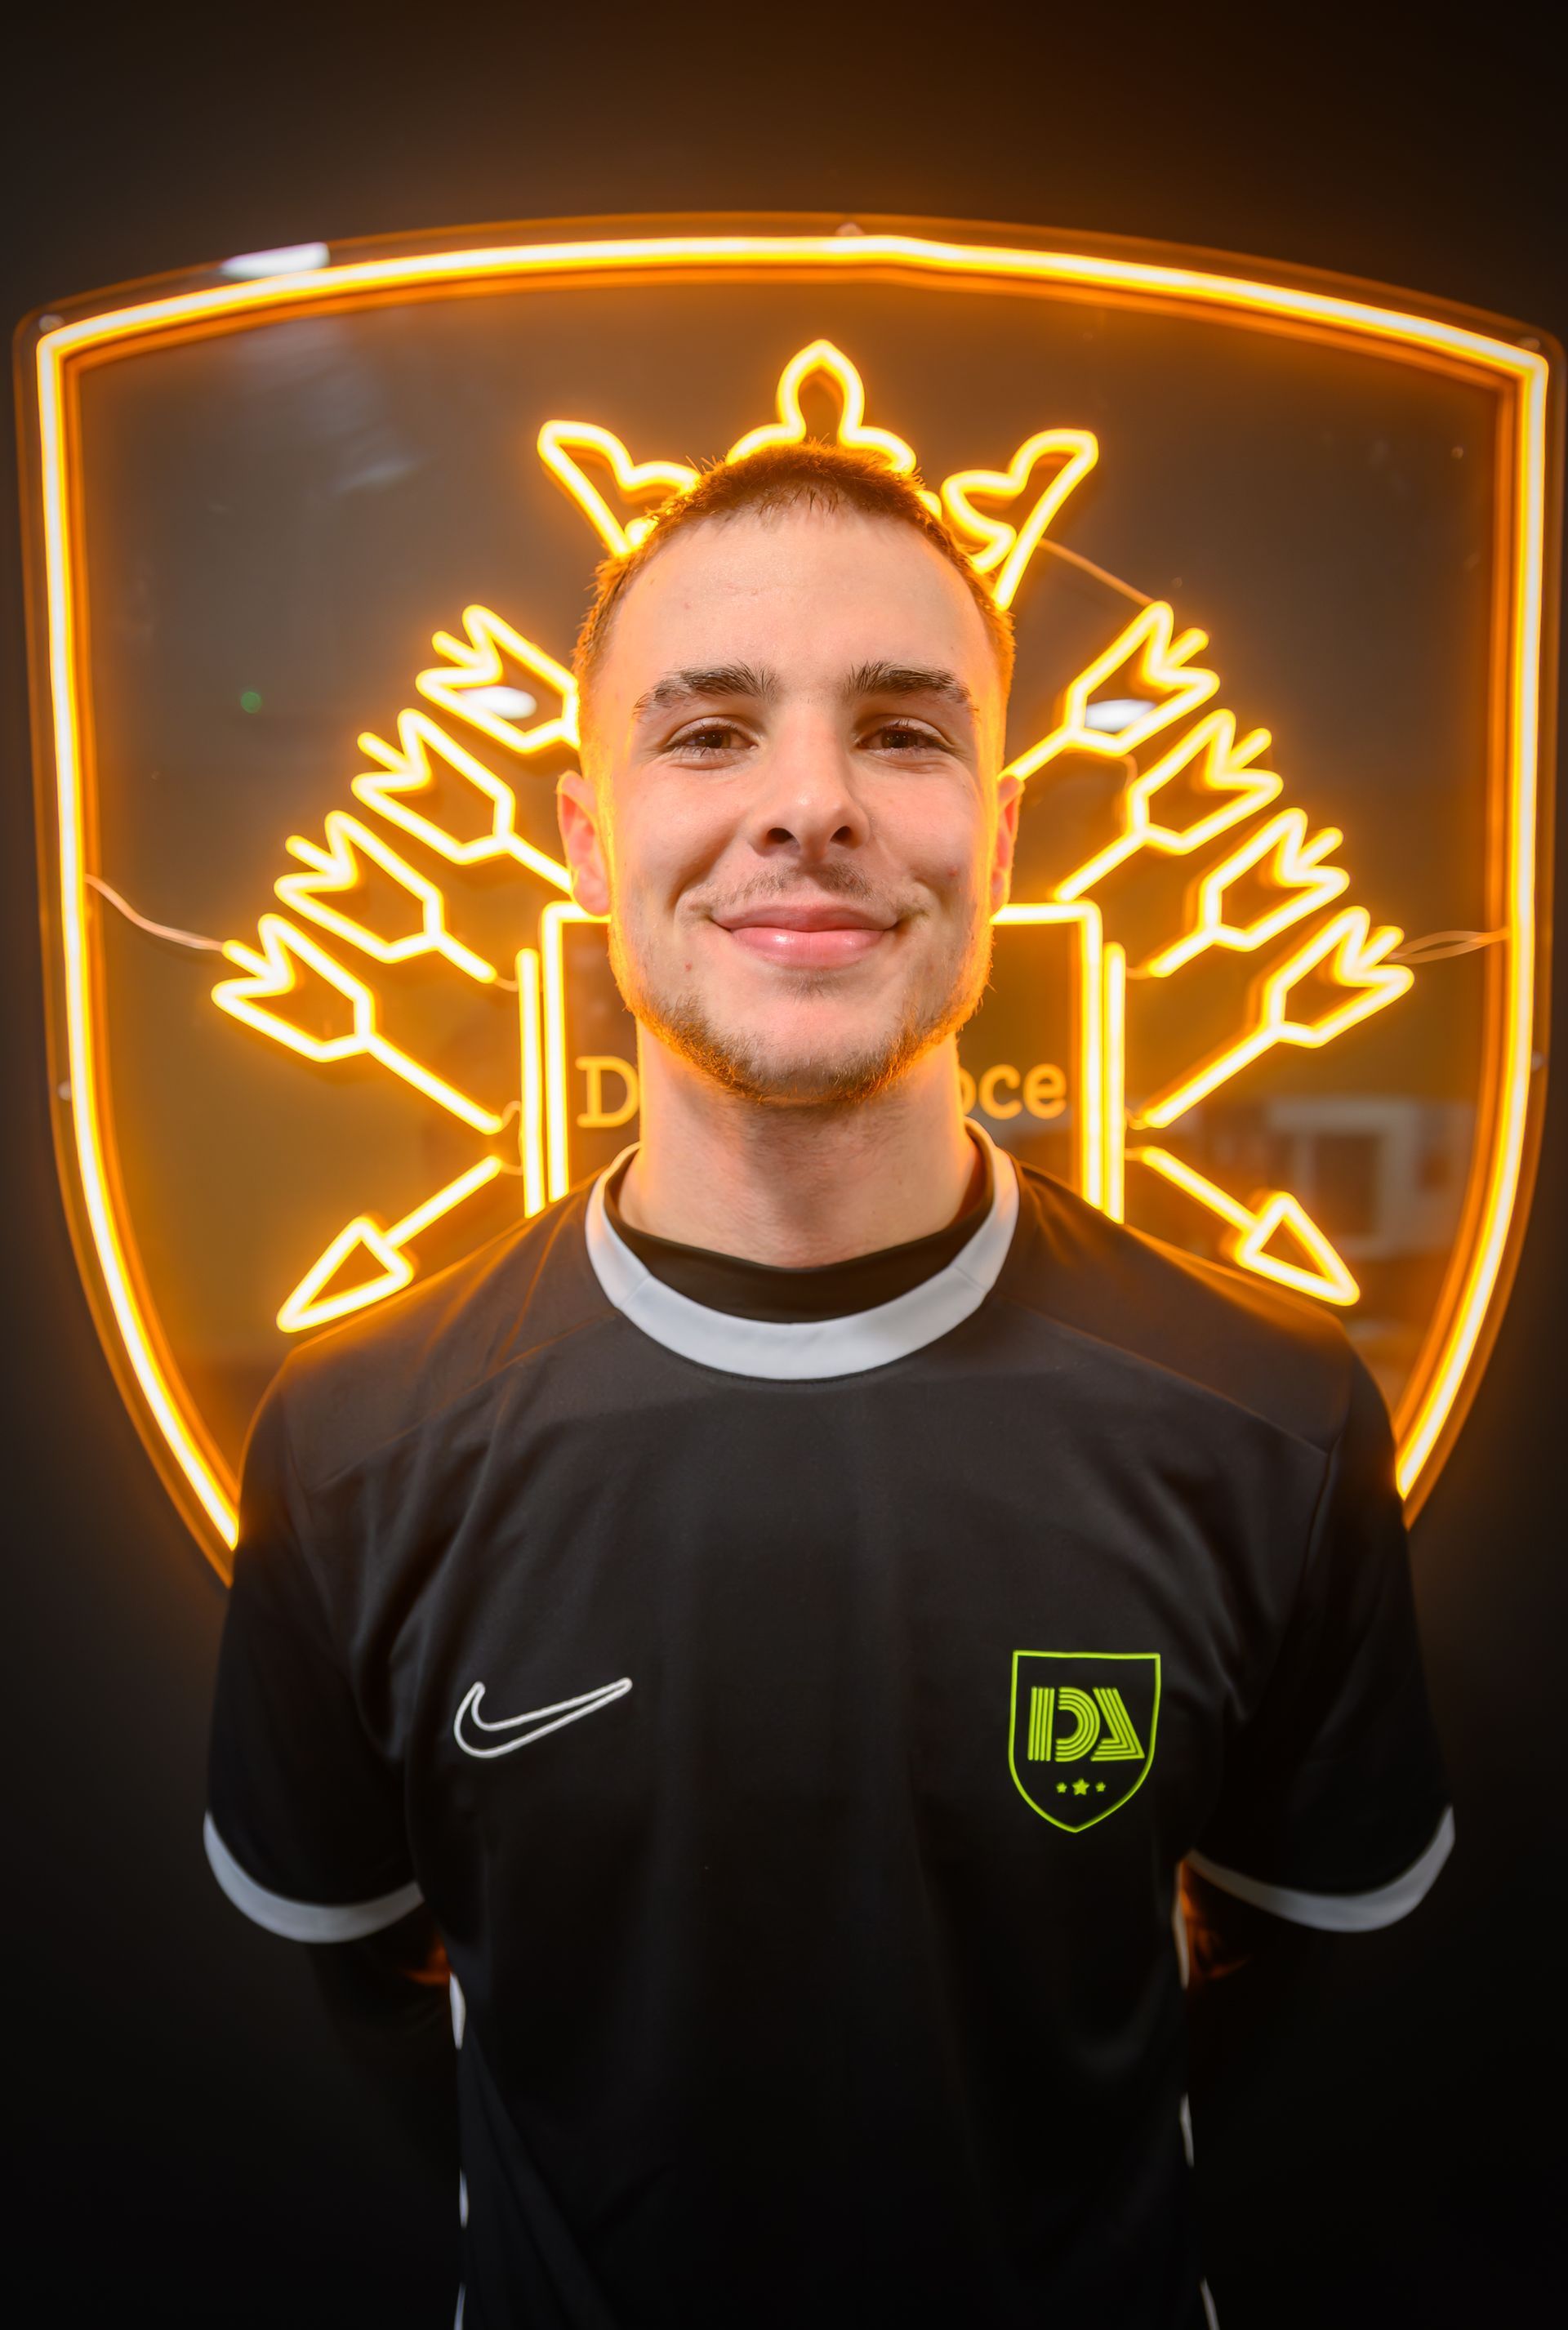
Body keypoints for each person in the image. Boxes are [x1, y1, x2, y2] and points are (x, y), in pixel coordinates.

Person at [204, 441, 1453, 2328]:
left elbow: (1299, 1963)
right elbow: (364, 1974)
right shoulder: (357, 1441)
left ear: (1005, 837)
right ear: (580, 834)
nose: (808, 807)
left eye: (901, 731)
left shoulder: (1267, 1414)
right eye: (708, 735)